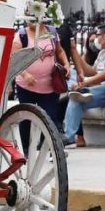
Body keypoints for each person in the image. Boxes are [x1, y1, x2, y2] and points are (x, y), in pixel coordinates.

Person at [12, 18, 70, 147]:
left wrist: (66, 64)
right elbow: (14, 59)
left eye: (37, 18)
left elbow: (59, 51)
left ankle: (50, 149)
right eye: (31, 19)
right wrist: (25, 74)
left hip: (50, 85)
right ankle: (26, 150)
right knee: (27, 118)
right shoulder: (21, 35)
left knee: (50, 117)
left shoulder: (52, 32)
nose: (34, 22)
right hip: (26, 86)